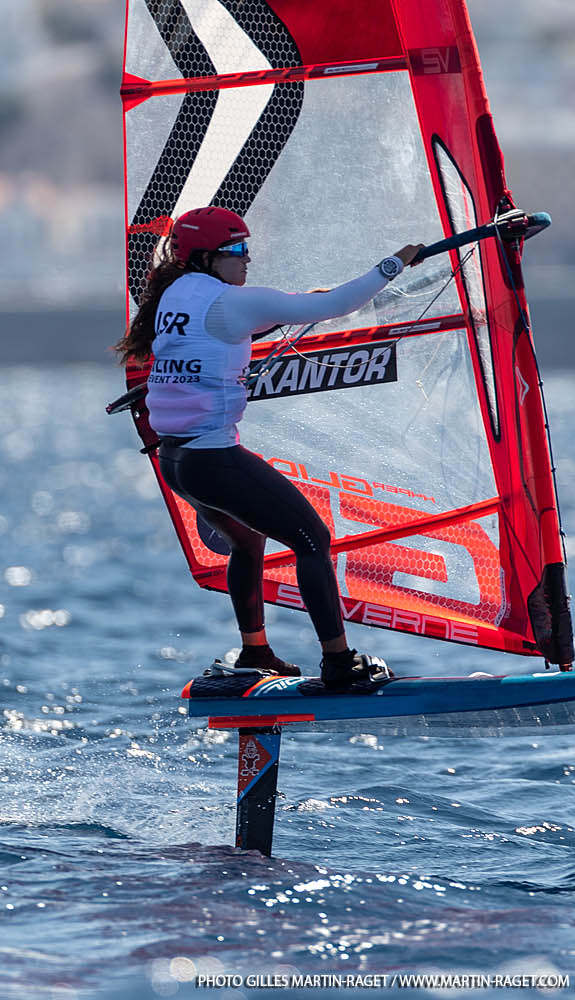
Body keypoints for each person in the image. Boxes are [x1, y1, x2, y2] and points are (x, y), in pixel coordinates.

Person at [114, 206, 424, 691]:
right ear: (207, 257)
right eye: (237, 249)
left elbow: (231, 327)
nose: (248, 258)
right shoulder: (232, 303)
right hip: (213, 459)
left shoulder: (174, 293)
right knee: (313, 541)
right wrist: (395, 263)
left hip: (177, 461)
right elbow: (339, 305)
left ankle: (256, 651)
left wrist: (288, 307)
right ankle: (340, 662)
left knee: (248, 540)